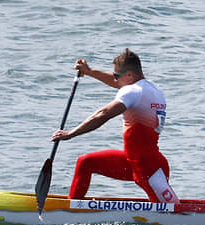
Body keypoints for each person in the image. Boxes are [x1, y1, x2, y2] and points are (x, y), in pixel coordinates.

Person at [51, 49, 180, 204]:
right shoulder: (153, 88)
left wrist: (71, 134)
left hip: (148, 169)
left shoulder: (132, 91)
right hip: (133, 162)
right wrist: (89, 72)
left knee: (172, 213)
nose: (115, 80)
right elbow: (116, 83)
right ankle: (72, 207)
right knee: (85, 162)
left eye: (117, 75)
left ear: (130, 75)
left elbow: (103, 114)